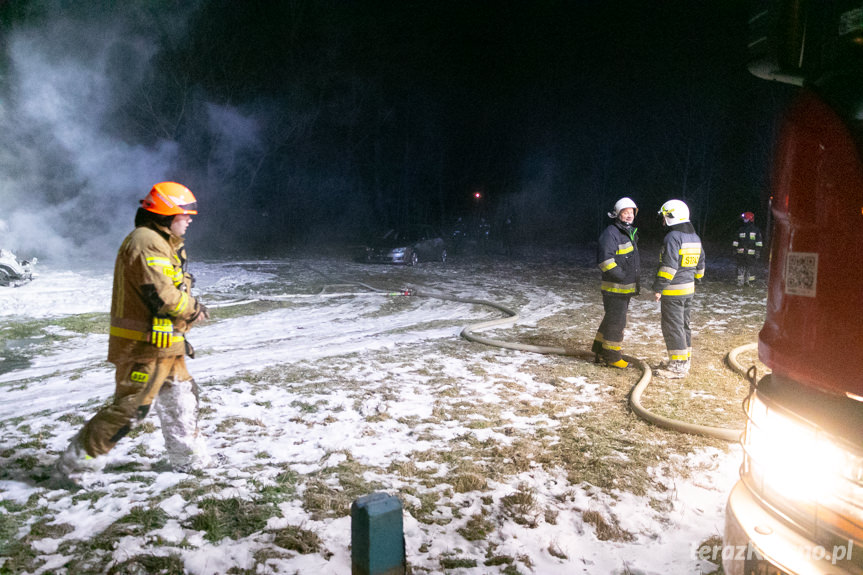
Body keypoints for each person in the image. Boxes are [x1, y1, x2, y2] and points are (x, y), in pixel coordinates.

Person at [54, 181, 212, 486]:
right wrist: (194, 309)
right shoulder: (145, 242)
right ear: (167, 214)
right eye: (185, 213)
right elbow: (161, 294)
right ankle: (74, 469)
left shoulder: (164, 242)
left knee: (182, 398)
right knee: (130, 410)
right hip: (142, 346)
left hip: (166, 344)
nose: (190, 219)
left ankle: (189, 460)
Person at [652, 199, 705, 379]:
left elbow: (669, 266)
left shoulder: (673, 237)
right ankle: (684, 359)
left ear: (671, 217)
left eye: (665, 217)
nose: (663, 221)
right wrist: (694, 280)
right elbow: (701, 266)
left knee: (673, 327)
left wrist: (659, 287)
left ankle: (678, 367)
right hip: (688, 290)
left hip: (673, 291)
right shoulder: (695, 237)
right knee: (684, 326)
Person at [592, 197, 640, 368]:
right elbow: (605, 261)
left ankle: (599, 349)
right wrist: (621, 276)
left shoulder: (627, 232)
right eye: (625, 212)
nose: (629, 215)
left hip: (623, 288)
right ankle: (612, 357)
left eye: (631, 212)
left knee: (611, 318)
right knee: (617, 322)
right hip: (615, 288)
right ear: (617, 214)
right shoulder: (611, 233)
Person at [732, 211, 763, 286]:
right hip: (741, 253)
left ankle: (749, 282)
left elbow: (759, 242)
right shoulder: (740, 229)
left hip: (751, 254)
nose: (744, 220)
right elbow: (736, 240)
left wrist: (758, 251)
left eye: (745, 218)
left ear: (749, 219)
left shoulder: (756, 230)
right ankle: (740, 281)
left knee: (750, 268)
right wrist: (734, 249)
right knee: (740, 267)